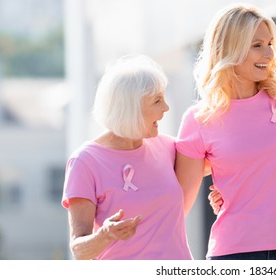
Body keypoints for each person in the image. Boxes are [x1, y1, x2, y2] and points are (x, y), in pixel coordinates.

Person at [175, 4, 276, 260]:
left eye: (270, 44)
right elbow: (177, 206)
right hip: (233, 253)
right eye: (256, 45)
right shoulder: (199, 119)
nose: (268, 53)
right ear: (230, 48)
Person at [61, 55, 192, 260]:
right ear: (131, 108)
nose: (166, 108)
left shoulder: (167, 147)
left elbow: (225, 164)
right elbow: (79, 250)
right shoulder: (85, 162)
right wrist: (105, 236)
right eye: (157, 100)